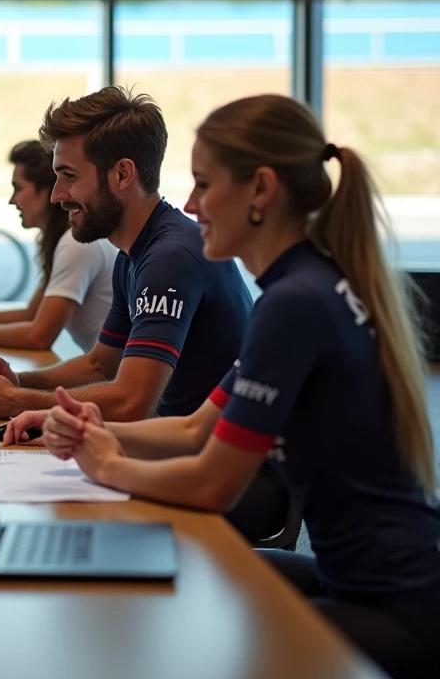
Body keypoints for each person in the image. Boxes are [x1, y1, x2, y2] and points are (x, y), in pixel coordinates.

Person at [32, 94, 440, 678]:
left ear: (261, 191)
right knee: (179, 582)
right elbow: (200, 426)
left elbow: (211, 485)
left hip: (399, 607)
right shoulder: (299, 287)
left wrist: (107, 463)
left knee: (189, 629)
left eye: (203, 185)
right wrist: (98, 429)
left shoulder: (294, 305)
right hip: (360, 578)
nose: (191, 204)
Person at [0, 88, 284, 543]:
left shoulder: (170, 256)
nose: (58, 195)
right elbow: (100, 364)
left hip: (236, 476)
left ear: (121, 174)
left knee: (60, 515)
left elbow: (133, 402)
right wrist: (20, 384)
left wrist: (20, 405)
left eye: (68, 176)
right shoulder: (132, 254)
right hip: (183, 448)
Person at [0, 139, 115, 353]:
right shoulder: (63, 239)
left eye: (18, 188)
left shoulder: (76, 243)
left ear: (47, 191)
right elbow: (31, 314)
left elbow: (40, 336)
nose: (12, 200)